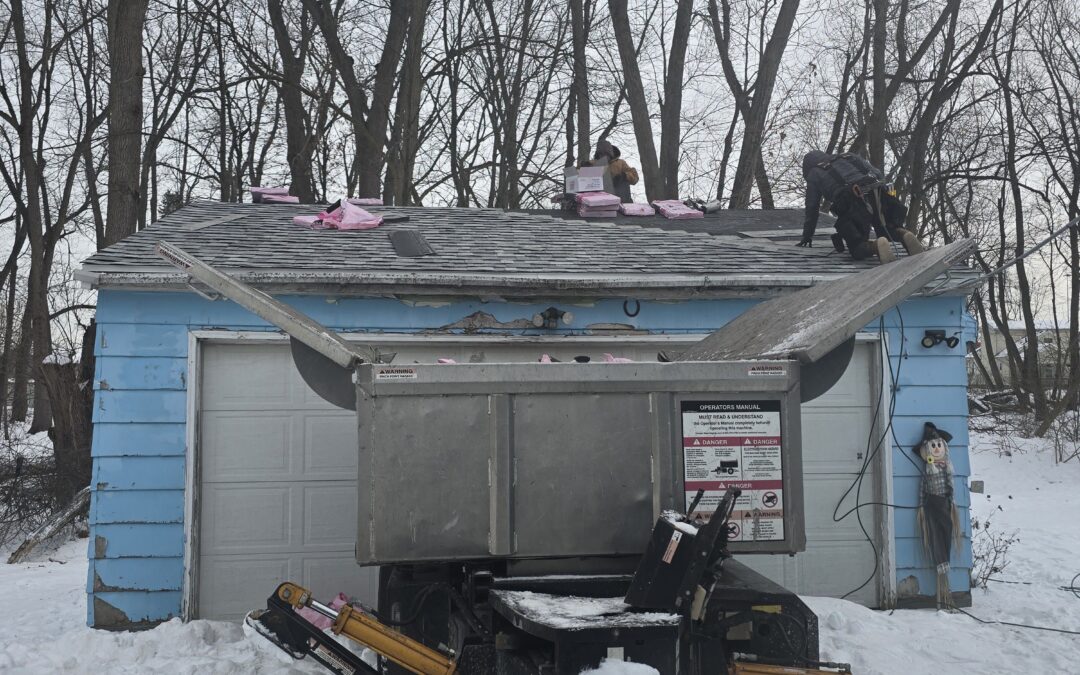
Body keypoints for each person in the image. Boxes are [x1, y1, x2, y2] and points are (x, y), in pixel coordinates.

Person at [796, 150, 925, 262]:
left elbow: (812, 207)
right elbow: (877, 173)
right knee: (887, 228)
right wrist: (885, 194)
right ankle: (904, 235)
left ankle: (876, 246)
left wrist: (807, 236)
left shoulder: (814, 173)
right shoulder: (847, 156)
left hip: (851, 199)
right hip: (877, 190)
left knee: (857, 246)